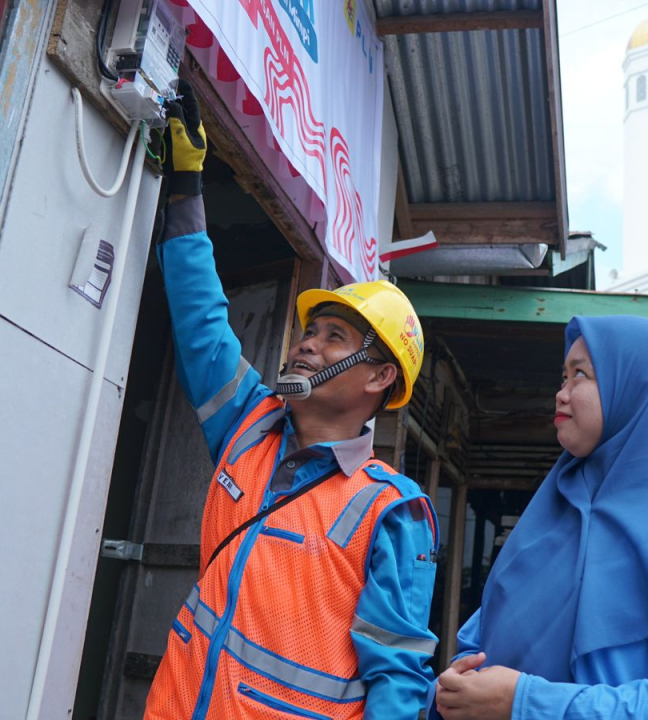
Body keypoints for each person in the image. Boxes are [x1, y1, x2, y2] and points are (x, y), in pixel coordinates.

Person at [143, 80, 440, 719]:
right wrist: (187, 186)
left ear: (378, 378)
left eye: (335, 338)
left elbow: (398, 679)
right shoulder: (247, 425)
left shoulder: (391, 510)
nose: (307, 344)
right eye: (310, 330)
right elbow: (202, 324)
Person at [433, 315, 648, 719]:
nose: (561, 394)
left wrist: (524, 702)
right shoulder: (548, 522)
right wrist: (448, 694)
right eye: (562, 377)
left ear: (636, 386)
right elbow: (475, 653)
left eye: (580, 375)